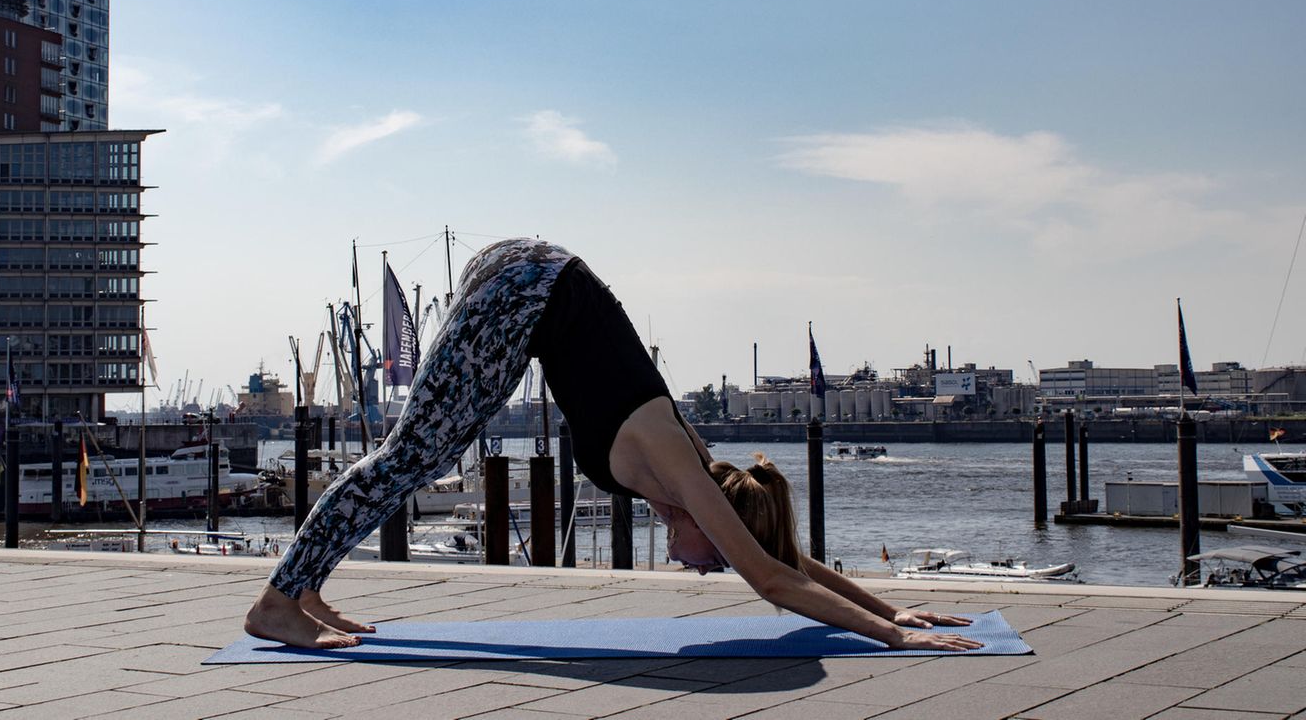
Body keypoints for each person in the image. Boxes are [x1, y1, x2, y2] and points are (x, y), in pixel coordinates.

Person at [244, 238, 979, 652]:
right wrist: (890, 635)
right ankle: (278, 599)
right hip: (524, 294)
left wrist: (890, 606)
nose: (703, 568)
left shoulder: (703, 476)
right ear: (709, 524)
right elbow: (773, 579)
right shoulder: (684, 468)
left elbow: (782, 555)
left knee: (415, 456)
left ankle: (307, 586)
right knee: (410, 456)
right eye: (714, 555)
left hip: (531, 290)